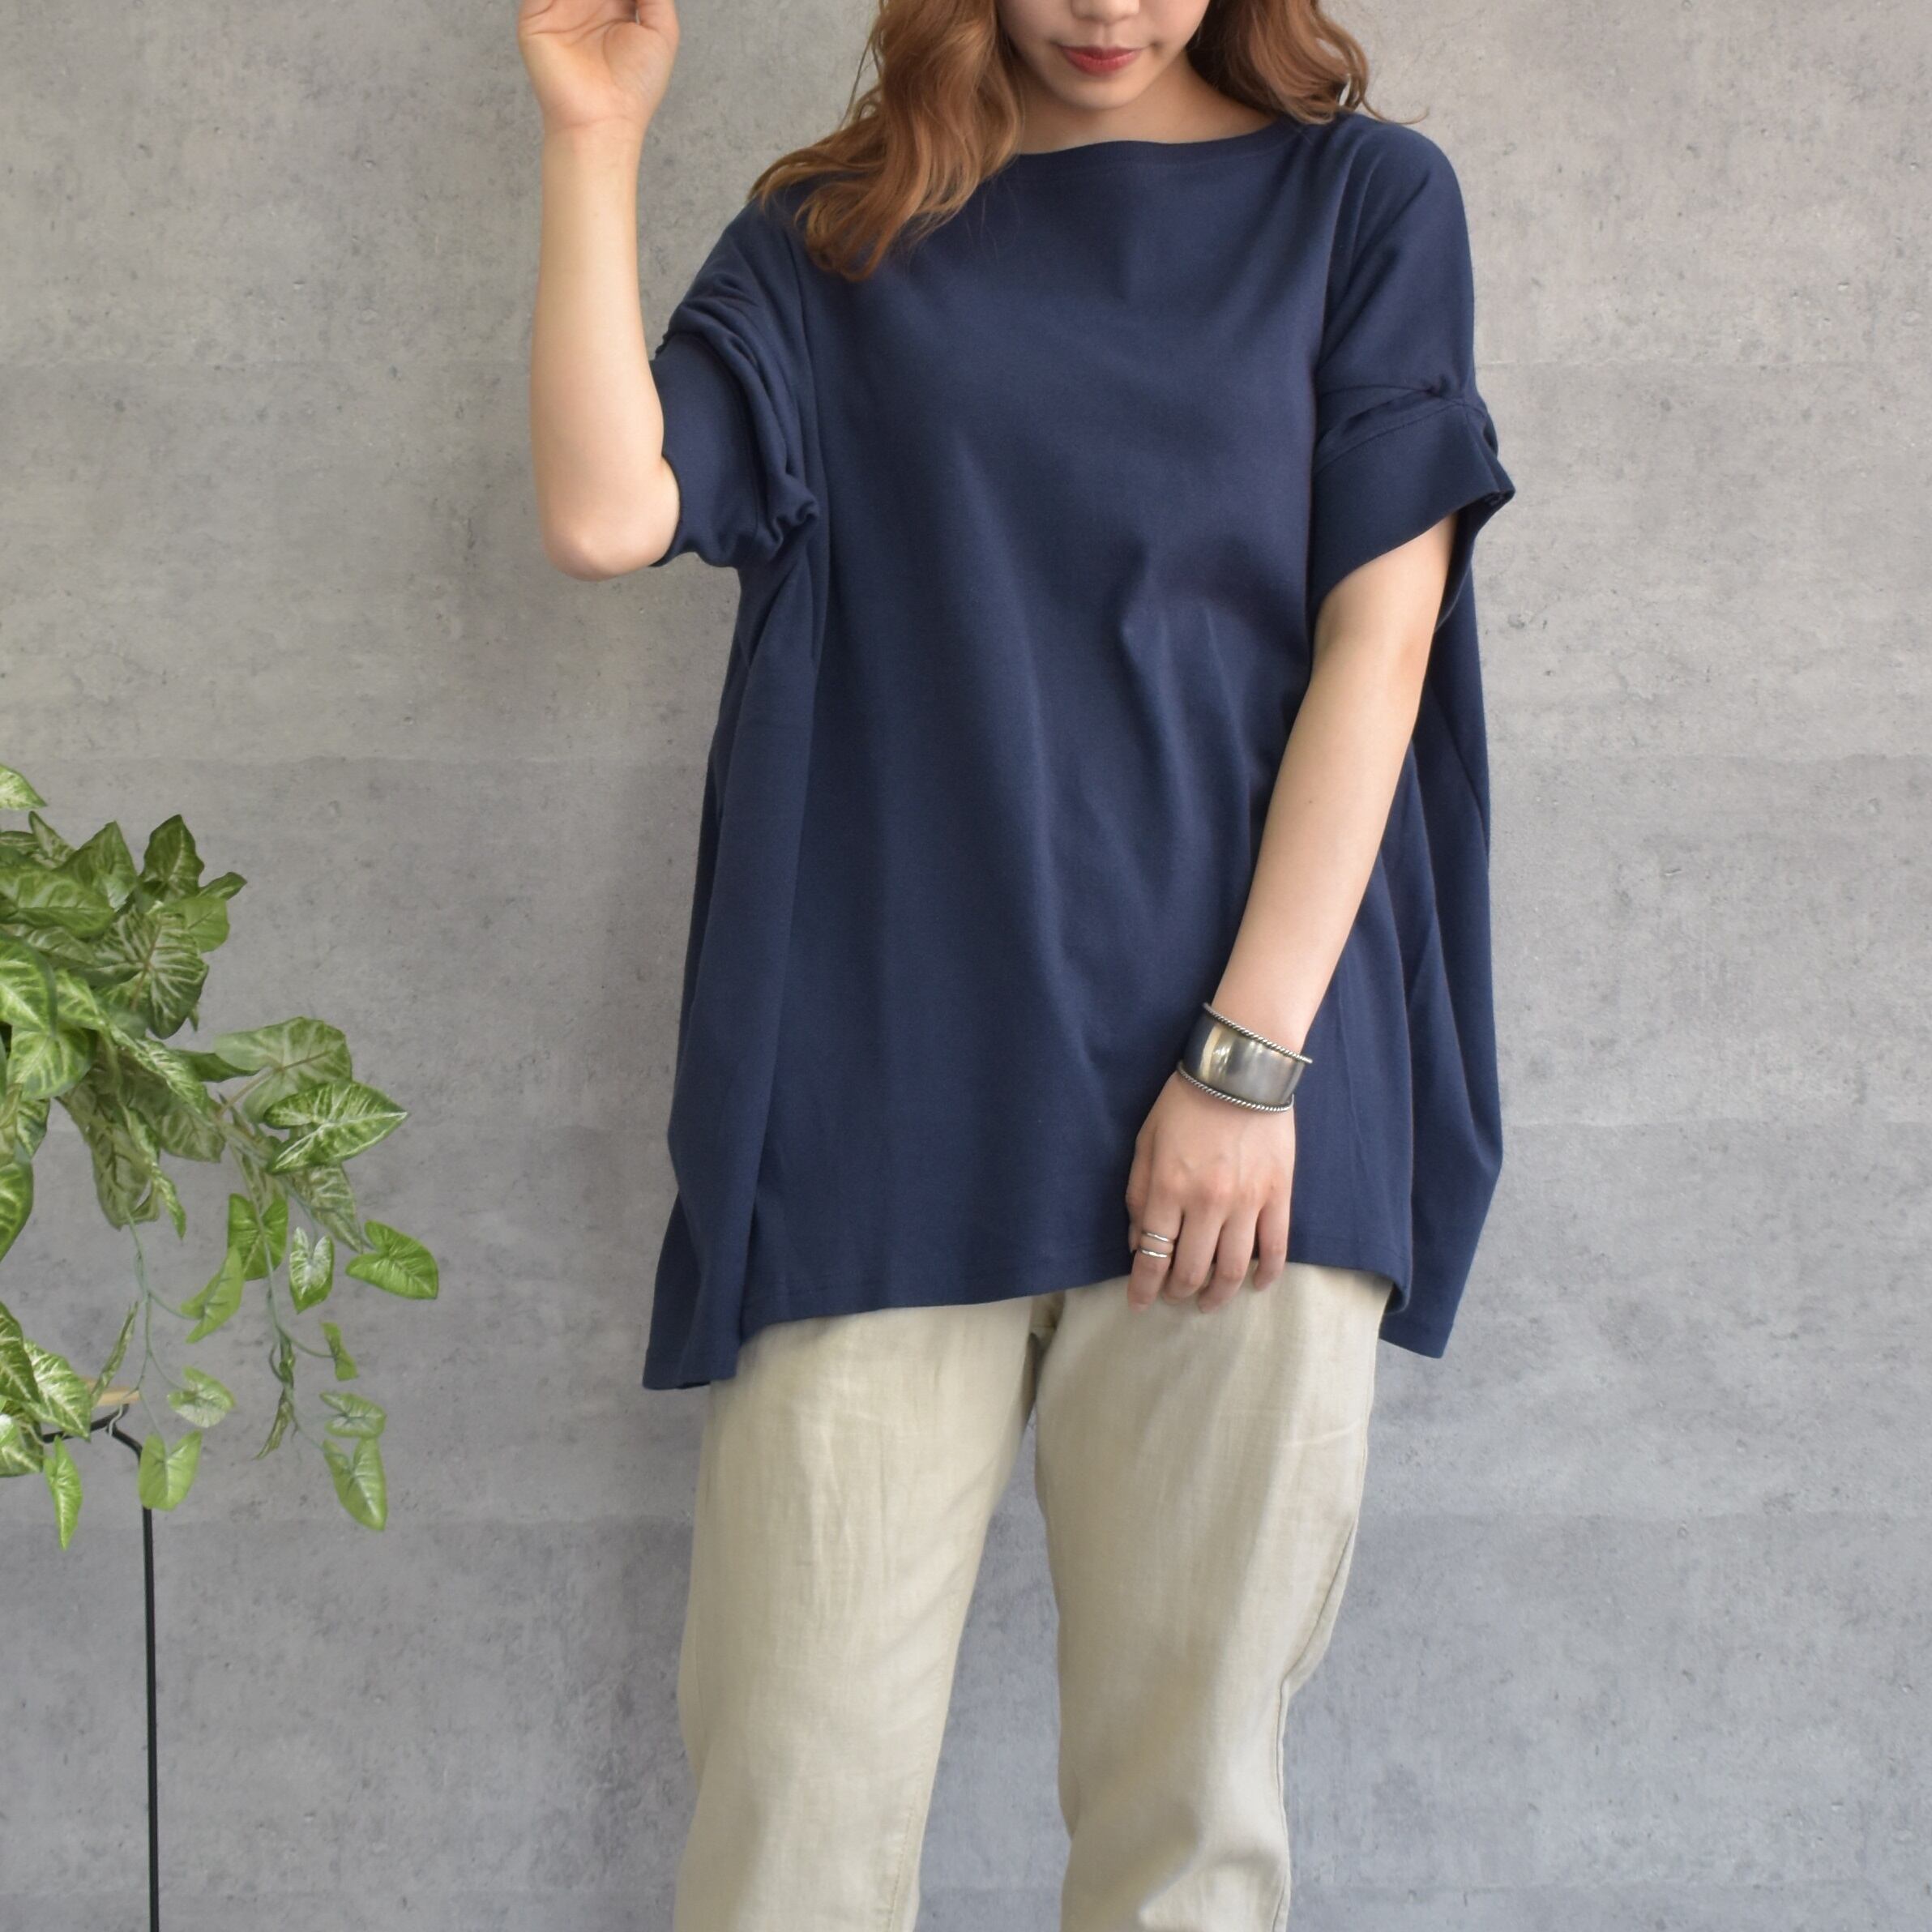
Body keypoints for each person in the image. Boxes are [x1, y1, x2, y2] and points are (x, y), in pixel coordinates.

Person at [522, 0, 1515, 1923]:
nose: (1105, 8)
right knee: (789, 1823)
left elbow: (1378, 646)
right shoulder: (830, 239)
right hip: (885, 1106)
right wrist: (591, 134)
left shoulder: (1362, 205)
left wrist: (1244, 1064)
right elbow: (602, 509)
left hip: (1253, 1118)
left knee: (1186, 1832)